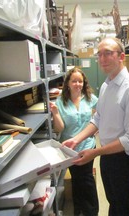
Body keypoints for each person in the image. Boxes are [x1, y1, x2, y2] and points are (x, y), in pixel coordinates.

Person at [62, 37, 129, 216]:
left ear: (121, 56)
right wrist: (76, 139)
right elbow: (98, 118)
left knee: (124, 208)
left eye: (108, 53)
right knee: (114, 203)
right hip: (108, 156)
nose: (102, 59)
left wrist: (95, 153)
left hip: (123, 160)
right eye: (99, 54)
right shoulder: (106, 86)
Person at [49, 67, 99, 216]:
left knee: (87, 179)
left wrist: (97, 128)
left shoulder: (90, 98)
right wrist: (56, 113)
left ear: (84, 83)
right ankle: (79, 208)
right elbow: (60, 128)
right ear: (68, 84)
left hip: (88, 146)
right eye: (74, 81)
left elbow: (100, 114)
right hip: (70, 149)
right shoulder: (60, 102)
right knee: (77, 179)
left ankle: (91, 211)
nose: (78, 84)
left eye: (80, 81)